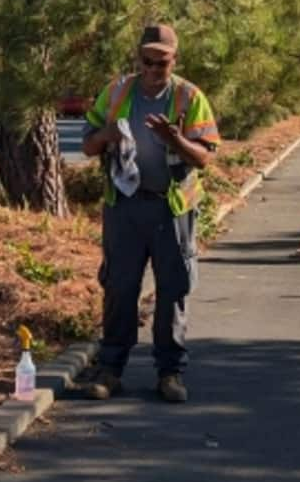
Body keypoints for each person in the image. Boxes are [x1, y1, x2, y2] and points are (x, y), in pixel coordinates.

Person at [74, 23, 220, 403]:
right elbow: (88, 145)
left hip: (171, 208)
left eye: (163, 62)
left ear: (175, 59)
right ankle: (110, 370)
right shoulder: (117, 91)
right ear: (138, 58)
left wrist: (175, 139)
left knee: (172, 290)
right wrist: (106, 136)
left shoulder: (190, 97)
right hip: (124, 206)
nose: (154, 69)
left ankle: (169, 373)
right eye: (148, 61)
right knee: (120, 288)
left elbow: (205, 157)